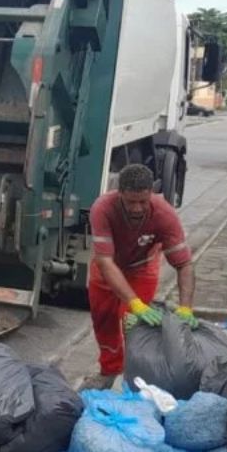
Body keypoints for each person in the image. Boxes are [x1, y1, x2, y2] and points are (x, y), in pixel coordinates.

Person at [88, 163, 198, 384]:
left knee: (135, 324)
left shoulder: (164, 214)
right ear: (120, 194)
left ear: (151, 194)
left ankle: (137, 376)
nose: (137, 208)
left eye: (143, 202)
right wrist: (134, 301)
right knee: (104, 319)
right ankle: (109, 371)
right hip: (106, 266)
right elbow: (106, 262)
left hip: (141, 267)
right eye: (131, 202)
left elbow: (184, 264)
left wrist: (186, 306)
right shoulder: (103, 208)